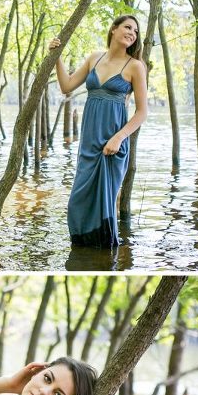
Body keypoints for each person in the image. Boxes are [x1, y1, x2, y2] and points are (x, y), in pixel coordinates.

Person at [50, 15, 148, 248]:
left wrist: (118, 138)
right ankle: (83, 251)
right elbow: (66, 86)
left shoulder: (135, 66)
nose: (132, 33)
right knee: (77, 200)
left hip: (113, 143)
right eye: (127, 27)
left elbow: (142, 112)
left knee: (105, 203)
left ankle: (105, 253)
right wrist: (57, 56)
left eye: (135, 31)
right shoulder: (94, 58)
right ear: (113, 29)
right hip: (89, 141)